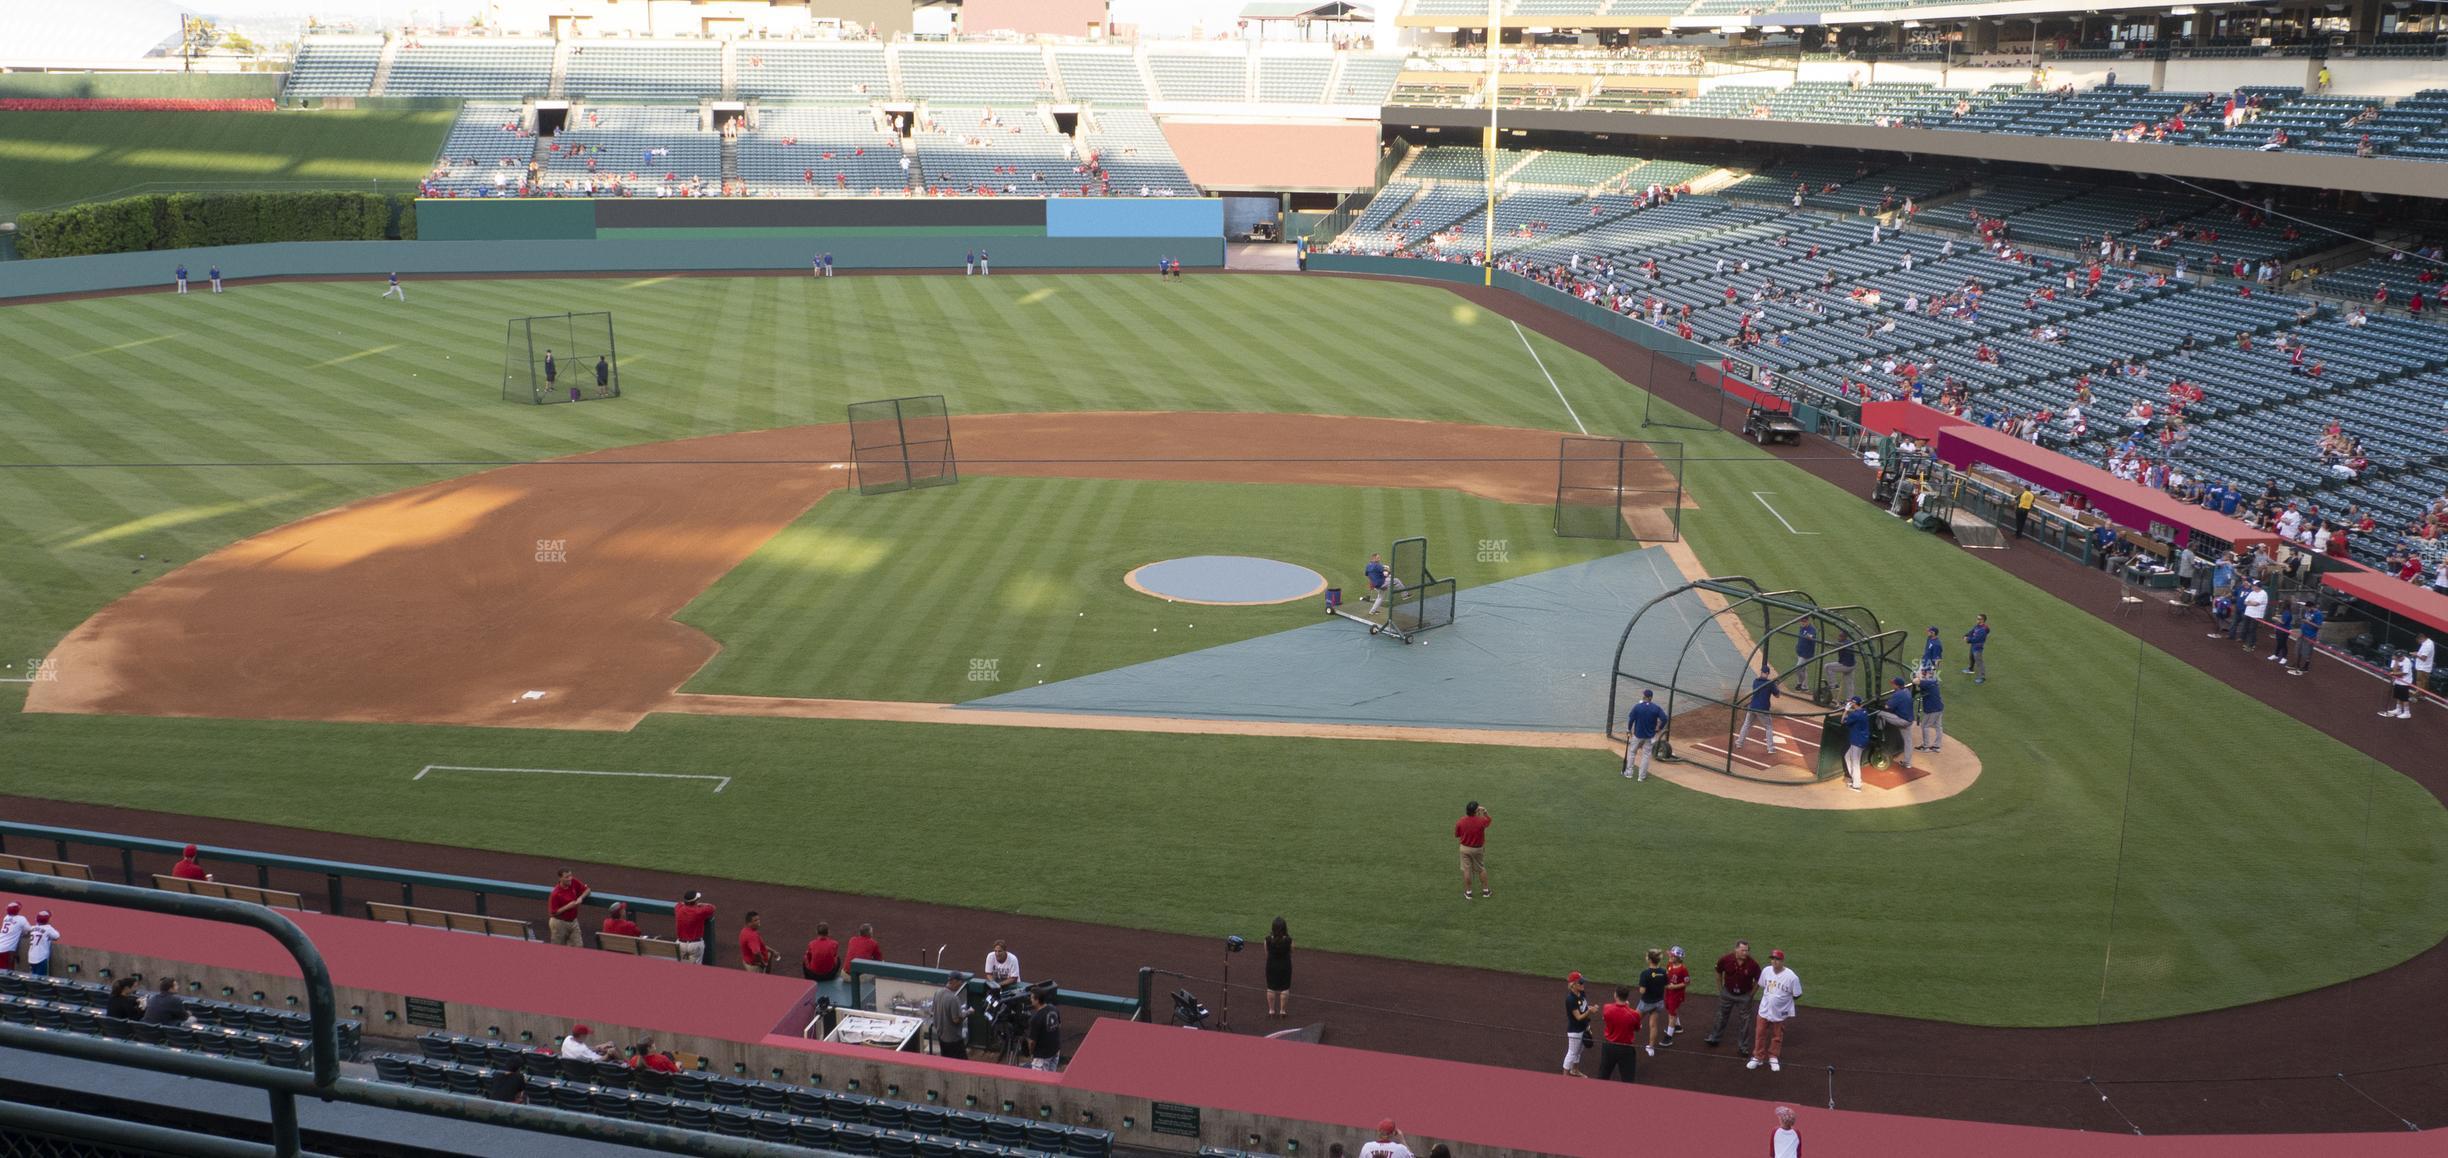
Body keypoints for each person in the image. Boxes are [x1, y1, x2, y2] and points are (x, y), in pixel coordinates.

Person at [1749, 949, 1803, 1072]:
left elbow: (1797, 994)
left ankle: (1773, 1057)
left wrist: (1783, 1003)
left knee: (1777, 1036)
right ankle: (1758, 1057)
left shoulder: (1791, 977)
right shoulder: (1766, 971)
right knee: (1760, 1034)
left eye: (1777, 959)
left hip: (1780, 1012)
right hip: (1764, 1009)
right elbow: (1762, 984)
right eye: (1772, 959)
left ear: (1782, 961)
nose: (1774, 961)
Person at [1705, 940, 1761, 1052]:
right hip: (1728, 993)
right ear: (1736, 949)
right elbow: (1718, 971)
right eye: (1742, 950)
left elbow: (1759, 979)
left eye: (1747, 950)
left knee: (1745, 1022)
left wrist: (1751, 994)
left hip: (1744, 995)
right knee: (1721, 1016)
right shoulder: (1726, 959)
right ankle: (1714, 1038)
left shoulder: (1753, 964)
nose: (1745, 953)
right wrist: (1721, 989)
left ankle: (1743, 1047)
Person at [1596, 984, 1641, 1082]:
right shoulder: (1634, 1014)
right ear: (1627, 997)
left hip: (1609, 1047)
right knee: (1628, 1079)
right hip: (1626, 1049)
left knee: (1603, 1075)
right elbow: (1637, 1028)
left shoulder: (1606, 1008)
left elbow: (1606, 1018)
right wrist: (1628, 1008)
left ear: (1615, 995)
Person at [1733, 663, 1779, 755]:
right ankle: (1770, 748)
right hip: (1762, 709)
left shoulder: (1755, 681)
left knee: (1746, 724)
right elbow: (1777, 695)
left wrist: (1773, 685)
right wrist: (1775, 686)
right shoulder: (1770, 684)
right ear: (1767, 673)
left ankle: (1739, 743)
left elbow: (1764, 688)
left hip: (1752, 707)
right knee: (1769, 727)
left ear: (1761, 672)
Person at [1636, 949, 1672, 1057]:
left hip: (1646, 1002)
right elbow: (1666, 985)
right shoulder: (1663, 972)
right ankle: (1651, 1048)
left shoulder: (1645, 973)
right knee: (1653, 1025)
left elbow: (1642, 991)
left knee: (1633, 1019)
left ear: (1649, 960)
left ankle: (1624, 1040)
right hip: (1659, 1002)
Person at [1624, 689, 1666, 781]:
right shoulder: (1656, 708)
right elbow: (1664, 718)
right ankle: (1641, 777)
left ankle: (1629, 773)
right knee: (1646, 756)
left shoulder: (1637, 707)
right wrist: (1659, 728)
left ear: (1645, 697)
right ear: (1651, 698)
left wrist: (1628, 729)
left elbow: (1631, 719)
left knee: (1632, 753)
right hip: (1650, 737)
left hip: (1638, 735)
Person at [1876, 678, 1917, 770]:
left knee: (1879, 713)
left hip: (1901, 720)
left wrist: (1883, 704)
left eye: (1893, 684)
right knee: (1908, 742)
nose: (1892, 685)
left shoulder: (1898, 694)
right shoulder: (1906, 691)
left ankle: (1880, 733)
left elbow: (1887, 706)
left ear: (1897, 686)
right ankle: (1907, 763)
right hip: (1909, 721)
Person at [1454, 801, 1491, 900]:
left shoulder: (1460, 821)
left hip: (1465, 848)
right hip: (1478, 848)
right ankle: (1486, 891)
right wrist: (1485, 813)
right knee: (1481, 869)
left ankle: (1468, 892)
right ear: (1476, 811)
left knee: (1467, 870)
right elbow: (1488, 820)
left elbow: (1457, 834)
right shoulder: (1481, 821)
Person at [931, 972, 972, 1060]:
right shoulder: (953, 999)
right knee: (963, 1065)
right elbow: (956, 1020)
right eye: (960, 981)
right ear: (954, 981)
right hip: (953, 1040)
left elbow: (933, 1011)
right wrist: (968, 1012)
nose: (961, 984)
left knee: (946, 1062)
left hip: (941, 1036)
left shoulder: (938, 992)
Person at [546, 868, 590, 948]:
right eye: (566, 877)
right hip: (559, 923)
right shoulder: (555, 894)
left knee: (579, 947)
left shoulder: (573, 882)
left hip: (573, 921)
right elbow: (553, 912)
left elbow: (587, 890)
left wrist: (581, 897)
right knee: (558, 949)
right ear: (560, 878)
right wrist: (568, 906)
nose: (570, 878)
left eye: (570, 875)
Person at [1561, 971, 1592, 1077]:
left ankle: (1575, 1070)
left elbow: (1584, 1008)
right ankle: (1565, 1076)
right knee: (1572, 1053)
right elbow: (1578, 1017)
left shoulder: (1582, 993)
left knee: (1579, 1051)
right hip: (1575, 1031)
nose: (1583, 984)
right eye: (1581, 983)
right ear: (1573, 985)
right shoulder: (1570, 999)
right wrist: (1589, 1011)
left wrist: (1588, 1025)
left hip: (1583, 1027)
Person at [1025, 985, 1062, 1071]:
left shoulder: (1036, 1018)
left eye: (1032, 998)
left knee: (1038, 1081)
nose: (1030, 1000)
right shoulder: (1054, 1008)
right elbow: (1059, 1025)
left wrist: (1031, 1053)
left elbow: (1032, 1042)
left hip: (1042, 1056)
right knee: (1051, 1079)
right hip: (1055, 1050)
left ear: (1037, 1000)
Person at [672, 890, 715, 964]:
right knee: (695, 970)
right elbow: (712, 907)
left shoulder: (678, 909)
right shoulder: (699, 911)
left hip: (680, 944)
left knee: (681, 967)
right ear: (695, 901)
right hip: (695, 945)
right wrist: (700, 905)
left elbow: (679, 904)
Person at [1263, 918, 1293, 1019]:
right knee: (1285, 988)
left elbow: (1266, 953)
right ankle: (1282, 1011)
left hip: (1271, 965)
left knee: (1270, 987)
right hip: (1285, 965)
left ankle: (1271, 1011)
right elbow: (1291, 952)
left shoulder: (1268, 939)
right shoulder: (1289, 940)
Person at [1840, 696, 1870, 792]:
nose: (1850, 704)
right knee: (1847, 757)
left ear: (1854, 704)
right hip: (1861, 739)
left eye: (1851, 703)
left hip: (1857, 741)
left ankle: (1857, 785)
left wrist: (1846, 710)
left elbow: (1842, 721)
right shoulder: (1864, 711)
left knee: (1855, 763)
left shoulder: (1855, 715)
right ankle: (1855, 779)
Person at [1915, 668, 1945, 753]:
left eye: (1925, 673)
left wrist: (1918, 675)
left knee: (1925, 726)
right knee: (1938, 726)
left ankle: (1926, 746)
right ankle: (1937, 746)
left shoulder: (1927, 682)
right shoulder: (1933, 680)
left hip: (1932, 709)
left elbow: (1915, 681)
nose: (1924, 674)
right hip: (1939, 707)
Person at [1664, 947, 1690, 1040]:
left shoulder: (1683, 969)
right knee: (1671, 1009)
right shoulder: (1670, 964)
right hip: (1668, 992)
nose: (1670, 956)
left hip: (1676, 995)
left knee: (1671, 1014)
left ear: (1678, 958)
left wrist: (1674, 987)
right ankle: (1677, 1027)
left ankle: (1668, 1037)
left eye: (1672, 955)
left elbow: (1687, 983)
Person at [2384, 648, 2418, 719]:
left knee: (2404, 698)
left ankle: (2407, 712)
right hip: (2397, 681)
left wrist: (2393, 673)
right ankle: (2398, 710)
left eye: (2401, 657)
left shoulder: (2407, 661)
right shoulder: (2395, 660)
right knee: (2398, 696)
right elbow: (2394, 669)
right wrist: (2396, 661)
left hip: (2405, 682)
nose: (2401, 658)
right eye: (2398, 657)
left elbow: (2404, 673)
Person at [22, 912, 57, 977]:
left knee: (33, 976)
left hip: (31, 957)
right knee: (41, 980)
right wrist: (48, 926)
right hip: (41, 958)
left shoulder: (32, 928)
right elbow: (57, 936)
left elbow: (25, 934)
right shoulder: (48, 928)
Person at [1828, 630, 1858, 703]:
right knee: (1849, 683)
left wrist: (1834, 644)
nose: (1838, 637)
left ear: (1844, 637)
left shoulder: (1846, 643)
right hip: (1851, 665)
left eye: (1840, 636)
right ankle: (1850, 700)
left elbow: (1840, 645)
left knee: (1828, 667)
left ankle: (1834, 685)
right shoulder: (1848, 642)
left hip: (1846, 666)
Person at [1790, 623, 1817, 696]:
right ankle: (1804, 686)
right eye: (1802, 621)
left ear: (1808, 621)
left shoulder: (1812, 629)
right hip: (1800, 651)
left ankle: (1801, 683)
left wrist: (1809, 637)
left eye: (1804, 621)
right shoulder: (1801, 627)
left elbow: (1812, 637)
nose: (1802, 623)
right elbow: (1800, 638)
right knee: (1804, 669)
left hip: (1806, 653)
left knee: (1798, 668)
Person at [1962, 614, 1989, 683]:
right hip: (1973, 645)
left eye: (1979, 619)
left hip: (1978, 647)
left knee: (1979, 662)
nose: (1977, 620)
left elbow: (1976, 639)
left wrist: (1967, 639)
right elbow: (1972, 631)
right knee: (1971, 657)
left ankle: (1982, 677)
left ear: (1982, 620)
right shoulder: (1978, 626)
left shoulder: (1983, 630)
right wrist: (1966, 635)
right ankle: (1971, 669)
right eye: (1977, 618)